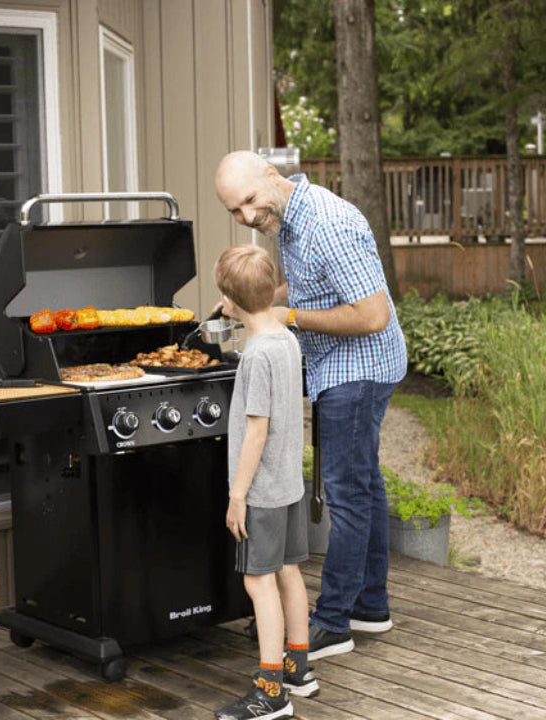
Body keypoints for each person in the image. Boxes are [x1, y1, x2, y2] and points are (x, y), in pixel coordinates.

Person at [215, 151, 407, 661]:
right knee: (364, 484)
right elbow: (306, 285)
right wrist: (253, 300)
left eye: (251, 202)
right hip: (347, 368)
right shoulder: (290, 221)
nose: (248, 218)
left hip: (358, 368)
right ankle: (371, 606)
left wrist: (289, 316)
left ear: (272, 178)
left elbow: (372, 316)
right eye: (235, 212)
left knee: (346, 494)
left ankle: (333, 621)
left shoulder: (327, 224)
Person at [213, 244, 314, 720]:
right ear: (273, 289)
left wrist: (237, 495)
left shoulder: (254, 357)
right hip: (290, 482)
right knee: (290, 571)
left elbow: (257, 429)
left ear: (228, 303)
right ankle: (299, 666)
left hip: (263, 492)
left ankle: (271, 691)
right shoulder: (288, 339)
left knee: (259, 582)